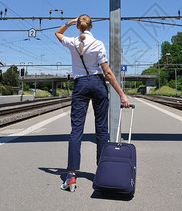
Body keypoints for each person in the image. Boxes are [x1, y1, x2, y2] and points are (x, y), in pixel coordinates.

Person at [55, 14, 129, 192]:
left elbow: (57, 33)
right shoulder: (98, 44)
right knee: (102, 129)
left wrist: (69, 23)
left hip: (80, 85)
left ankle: (71, 176)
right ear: (92, 26)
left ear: (78, 27)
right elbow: (108, 73)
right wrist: (122, 94)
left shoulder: (72, 42)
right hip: (97, 84)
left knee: (76, 130)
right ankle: (102, 171)